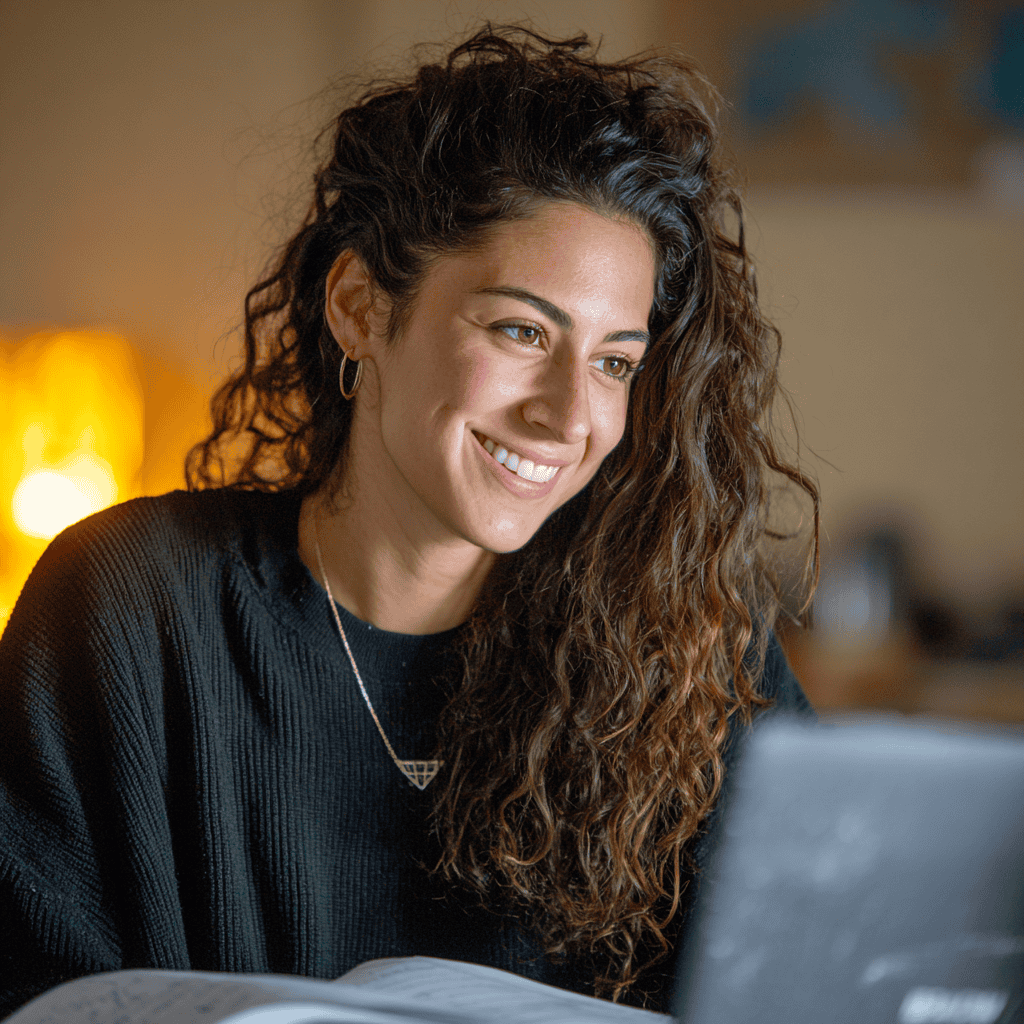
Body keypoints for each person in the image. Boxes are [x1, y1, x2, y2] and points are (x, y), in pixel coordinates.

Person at [0, 26, 817, 1016]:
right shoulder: (127, 603)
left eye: (614, 360)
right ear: (358, 307)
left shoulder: (693, 647)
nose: (569, 415)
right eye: (520, 329)